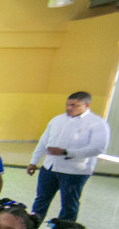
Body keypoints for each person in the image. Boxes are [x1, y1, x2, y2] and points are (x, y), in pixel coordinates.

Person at [27, 91, 110, 222]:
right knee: (41, 199)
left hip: (74, 171)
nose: (69, 108)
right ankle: (32, 226)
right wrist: (34, 162)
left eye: (74, 105)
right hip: (49, 167)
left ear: (87, 105)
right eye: (67, 104)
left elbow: (98, 148)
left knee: (69, 204)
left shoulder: (97, 123)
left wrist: (66, 152)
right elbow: (43, 142)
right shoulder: (57, 120)